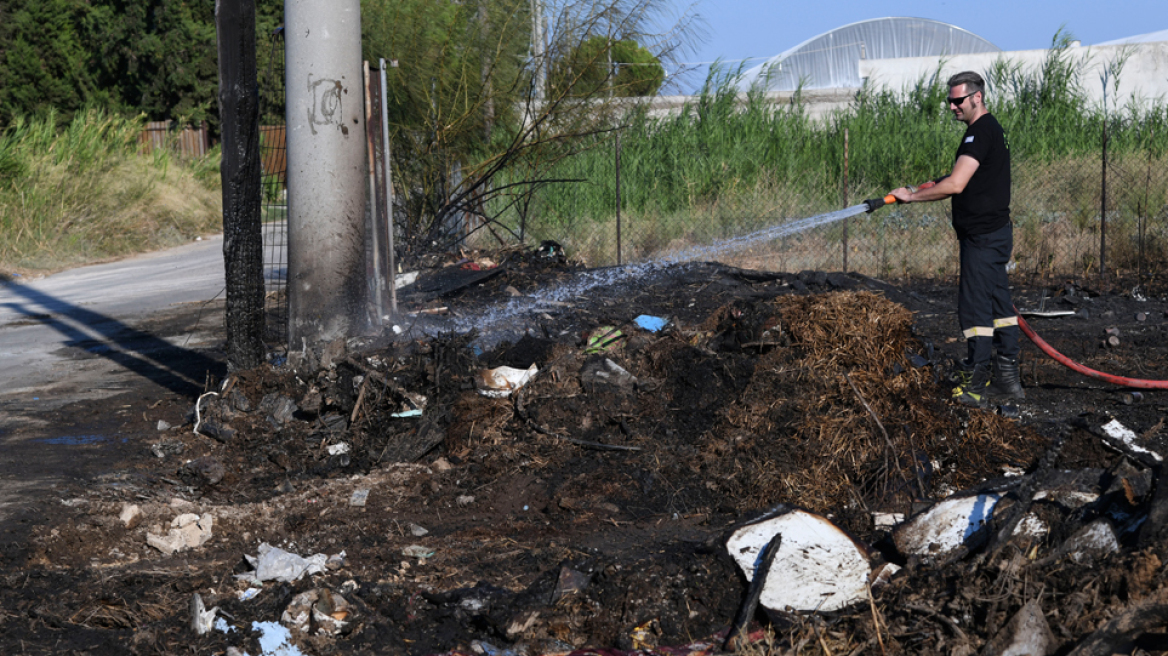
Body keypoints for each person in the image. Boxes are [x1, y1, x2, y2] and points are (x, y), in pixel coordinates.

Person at [889, 71, 1023, 406]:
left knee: (975, 310)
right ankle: (1007, 381)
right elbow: (960, 177)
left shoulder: (978, 134)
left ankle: (974, 387)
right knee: (998, 305)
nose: (952, 106)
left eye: (958, 100)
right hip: (995, 234)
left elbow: (956, 184)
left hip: (981, 238)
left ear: (977, 97)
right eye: (950, 100)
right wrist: (923, 186)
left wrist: (911, 199)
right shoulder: (990, 130)